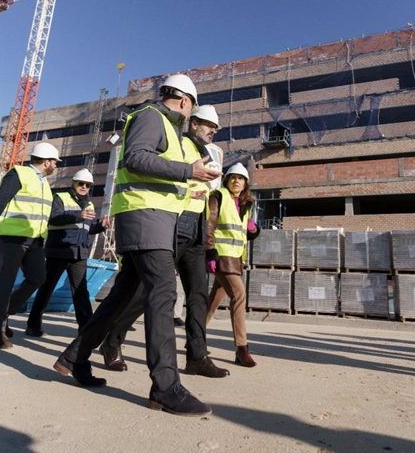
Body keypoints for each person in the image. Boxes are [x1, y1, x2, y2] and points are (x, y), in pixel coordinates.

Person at [52, 74, 221, 415]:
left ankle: (73, 358)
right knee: (162, 293)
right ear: (186, 102)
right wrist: (187, 171)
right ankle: (166, 387)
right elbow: (136, 158)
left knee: (121, 297)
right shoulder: (150, 116)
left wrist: (190, 177)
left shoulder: (168, 127)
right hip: (146, 218)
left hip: (153, 219)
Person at [98, 105, 229, 379]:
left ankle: (197, 356)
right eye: (208, 125)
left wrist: (210, 237)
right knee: (146, 292)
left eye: (215, 127)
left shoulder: (209, 153)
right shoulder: (178, 143)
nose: (213, 130)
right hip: (172, 222)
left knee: (197, 296)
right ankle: (112, 341)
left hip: (196, 228)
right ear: (193, 123)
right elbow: (157, 168)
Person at [0, 142, 60, 349]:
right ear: (46, 161)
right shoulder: (19, 174)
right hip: (11, 238)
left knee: (37, 278)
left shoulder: (44, 183)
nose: (56, 165)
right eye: (54, 161)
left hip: (35, 240)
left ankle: (0, 313)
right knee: (5, 282)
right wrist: (0, 228)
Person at [24, 168, 110, 337]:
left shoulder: (90, 204)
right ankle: (33, 324)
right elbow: (54, 218)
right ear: (74, 183)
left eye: (88, 185)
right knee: (46, 288)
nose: (84, 187)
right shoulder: (60, 198)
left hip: (79, 254)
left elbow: (86, 229)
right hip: (59, 251)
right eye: (81, 183)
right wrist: (79, 215)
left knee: (81, 292)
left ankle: (85, 328)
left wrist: (100, 226)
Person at [205, 162, 261, 367]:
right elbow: (209, 225)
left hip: (236, 259)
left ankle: (196, 338)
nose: (236, 181)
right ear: (227, 180)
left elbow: (241, 233)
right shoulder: (218, 196)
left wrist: (254, 230)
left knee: (213, 302)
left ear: (245, 183)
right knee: (239, 295)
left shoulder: (244, 205)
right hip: (221, 257)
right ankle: (242, 348)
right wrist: (210, 252)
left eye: (240, 178)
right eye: (232, 177)